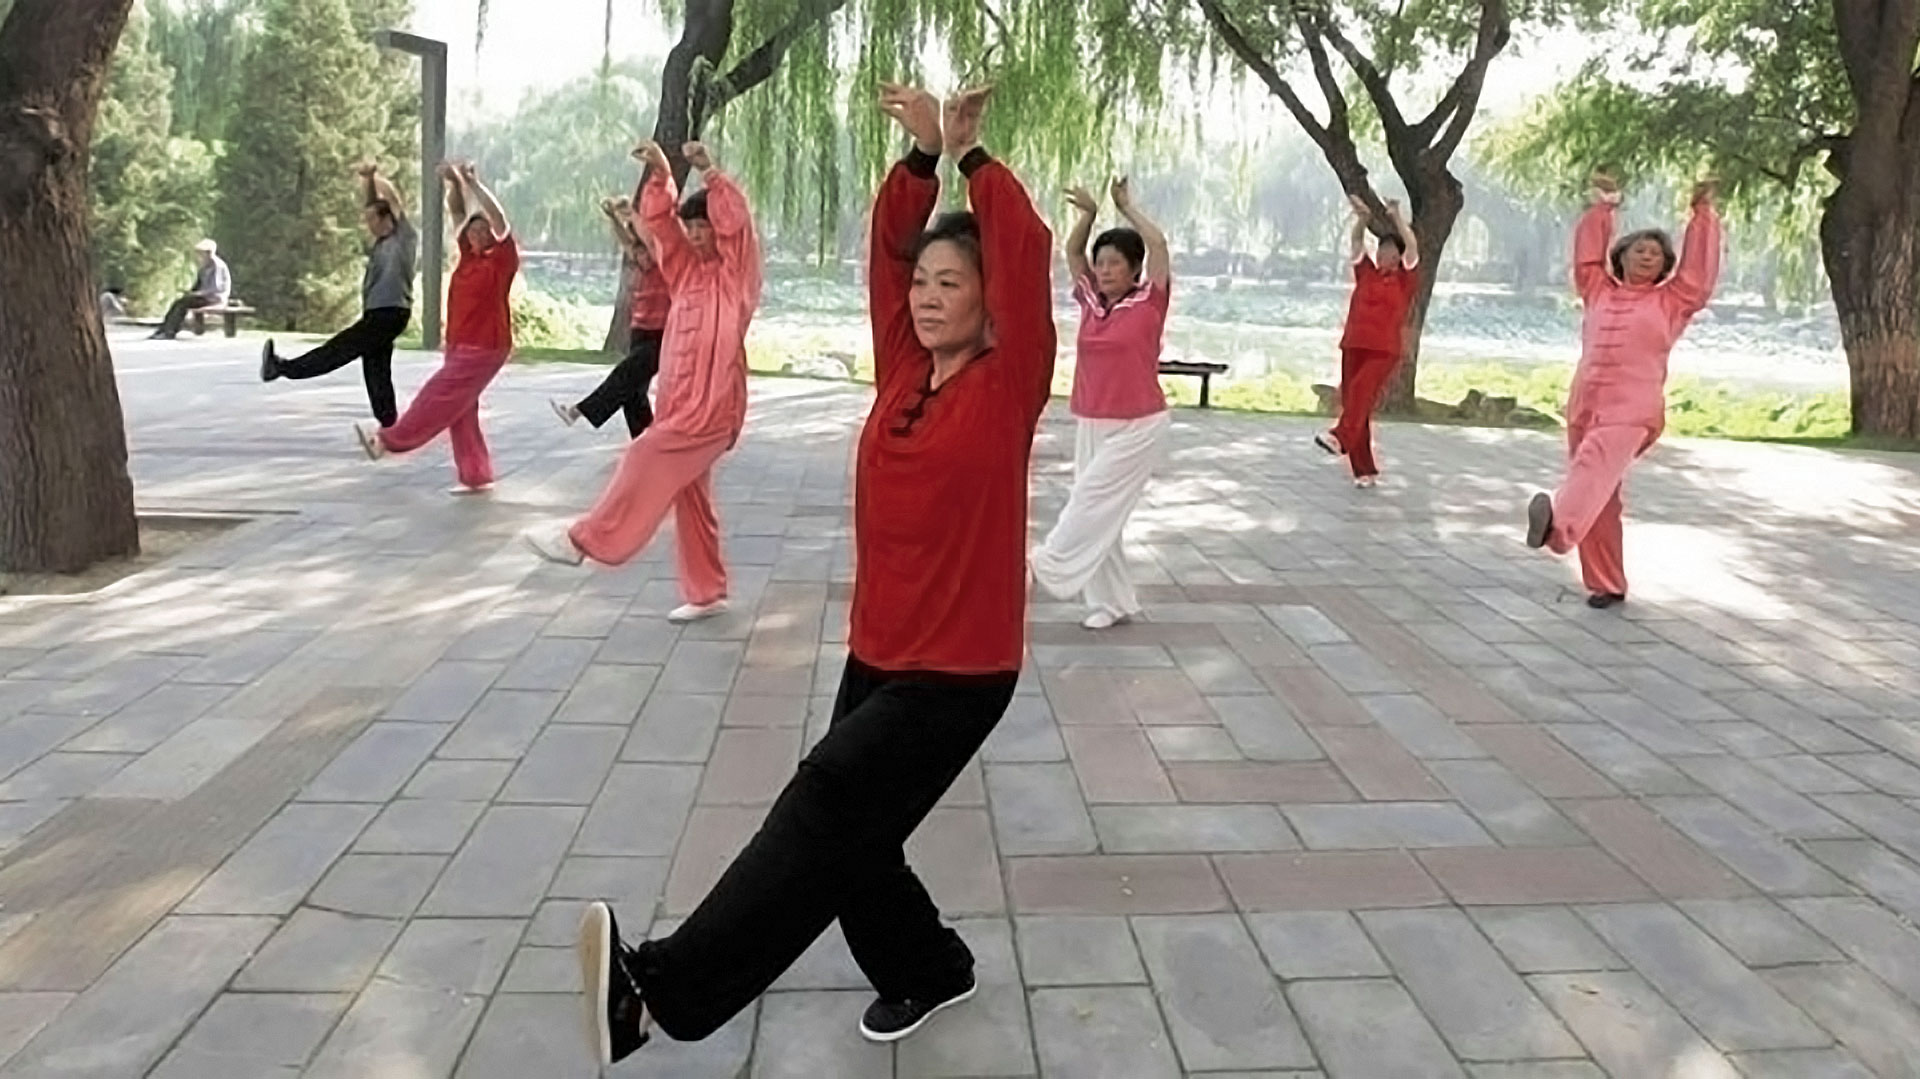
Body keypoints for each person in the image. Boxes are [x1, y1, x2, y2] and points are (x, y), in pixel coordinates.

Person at [571, 83, 1054, 1067]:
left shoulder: (1011, 384)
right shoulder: (902, 369)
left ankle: (663, 993)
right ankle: (929, 965)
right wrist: (917, 163)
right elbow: (887, 252)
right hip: (880, 645)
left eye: (952, 283)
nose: (926, 296)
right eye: (923, 282)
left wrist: (970, 156)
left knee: (828, 799)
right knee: (856, 837)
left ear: (990, 299)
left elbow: (1027, 252)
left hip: (961, 669)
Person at [520, 140, 761, 624]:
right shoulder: (686, 276)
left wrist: (711, 174)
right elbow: (661, 233)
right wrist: (660, 175)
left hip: (711, 412)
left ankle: (583, 541)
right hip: (679, 405)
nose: (695, 235)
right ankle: (707, 590)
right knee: (691, 495)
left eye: (704, 226)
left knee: (644, 453)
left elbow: (740, 230)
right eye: (691, 225)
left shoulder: (737, 280)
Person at [1526, 170, 1721, 608]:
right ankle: (1607, 582)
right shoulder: (1598, 289)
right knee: (1603, 495)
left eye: (1656, 252)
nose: (1648, 255)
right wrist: (1605, 206)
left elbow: (1699, 274)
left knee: (1591, 471)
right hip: (1585, 405)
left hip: (1632, 410)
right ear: (1622, 255)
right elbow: (1586, 260)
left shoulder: (1673, 301)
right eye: (1640, 249)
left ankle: (1557, 532)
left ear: (1665, 264)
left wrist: (1702, 213)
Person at [1029, 176, 1172, 630]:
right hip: (1093, 418)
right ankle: (1113, 603)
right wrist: (1087, 218)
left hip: (1140, 423)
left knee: (1090, 500)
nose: (1105, 270)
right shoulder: (1092, 301)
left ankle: (1041, 569)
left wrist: (1126, 208)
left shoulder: (1151, 299)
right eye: (1102, 263)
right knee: (1101, 514)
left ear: (1135, 270)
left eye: (1115, 263)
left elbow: (1160, 243)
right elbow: (1072, 255)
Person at [352, 161, 519, 494]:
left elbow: (499, 219)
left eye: (483, 230)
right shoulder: (468, 257)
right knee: (460, 410)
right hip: (459, 345)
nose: (477, 233)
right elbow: (457, 211)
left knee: (437, 395)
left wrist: (474, 183)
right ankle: (476, 474)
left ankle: (389, 441)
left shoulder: (502, 259)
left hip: (485, 347)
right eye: (473, 229)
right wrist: (453, 183)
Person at [259, 162, 418, 427]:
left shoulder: (404, 238)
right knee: (375, 367)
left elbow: (392, 200)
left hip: (391, 312)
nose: (368, 225)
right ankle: (389, 424)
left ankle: (282, 367)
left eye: (372, 220)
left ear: (388, 219)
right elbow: (374, 203)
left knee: (339, 349)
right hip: (379, 313)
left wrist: (376, 176)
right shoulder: (381, 244)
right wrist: (367, 181)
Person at [1315, 194, 1420, 487]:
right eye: (1382, 249)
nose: (1384, 254)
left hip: (1383, 350)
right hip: (1353, 344)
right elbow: (1356, 244)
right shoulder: (1367, 274)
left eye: (1390, 250)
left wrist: (1398, 216)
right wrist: (1361, 219)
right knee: (1353, 402)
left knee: (1361, 393)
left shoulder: (1404, 280)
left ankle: (1340, 438)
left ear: (1399, 257)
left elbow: (1412, 245)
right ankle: (1365, 470)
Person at [551, 191, 672, 436]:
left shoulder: (666, 265)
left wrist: (633, 214)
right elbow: (627, 242)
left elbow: (650, 241)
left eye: (646, 252)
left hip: (662, 335)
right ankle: (646, 444)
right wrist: (613, 218)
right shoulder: (641, 265)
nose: (642, 257)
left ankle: (578, 411)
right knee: (632, 393)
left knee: (624, 375)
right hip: (639, 331)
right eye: (639, 253)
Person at [149, 239, 231, 340]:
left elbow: (215, 288)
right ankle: (163, 330)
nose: (199, 256)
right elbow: (199, 284)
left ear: (208, 253)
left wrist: (197, 294)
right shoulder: (205, 266)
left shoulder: (217, 266)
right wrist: (190, 292)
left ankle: (169, 332)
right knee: (178, 302)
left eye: (201, 253)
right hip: (205, 296)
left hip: (214, 298)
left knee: (182, 304)